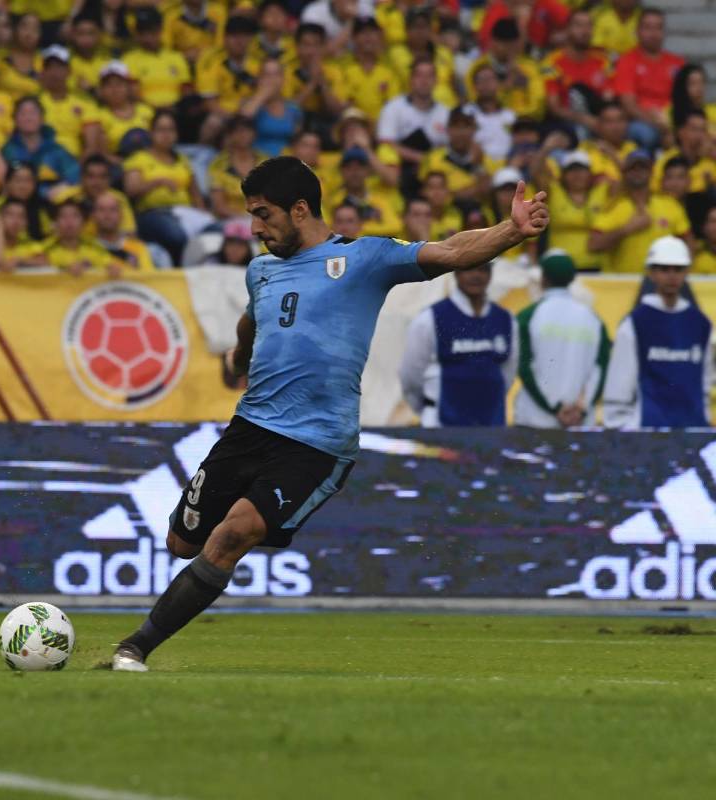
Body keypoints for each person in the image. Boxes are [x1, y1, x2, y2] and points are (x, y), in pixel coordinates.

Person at [110, 155, 549, 671]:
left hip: (316, 443)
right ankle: (164, 611)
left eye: (263, 214)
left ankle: (133, 648)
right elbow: (253, 323)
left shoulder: (365, 259)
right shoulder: (261, 271)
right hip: (249, 428)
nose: (254, 228)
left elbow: (452, 251)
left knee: (231, 536)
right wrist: (239, 357)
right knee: (181, 542)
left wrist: (511, 231)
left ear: (300, 210)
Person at [605, 236, 712, 428]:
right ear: (651, 273)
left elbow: (705, 382)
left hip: (693, 432)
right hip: (647, 435)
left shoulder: (700, 324)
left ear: (686, 272)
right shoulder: (635, 323)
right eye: (664, 269)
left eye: (678, 269)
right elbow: (619, 387)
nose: (671, 276)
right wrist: (625, 429)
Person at [398, 262, 518, 427]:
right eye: (469, 268)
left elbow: (508, 372)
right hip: (441, 426)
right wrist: (429, 408)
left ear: (490, 274)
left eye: (483, 269)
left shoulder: (506, 319)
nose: (476, 275)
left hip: (491, 426)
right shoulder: (430, 318)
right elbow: (410, 376)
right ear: (456, 273)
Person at [513, 250, 610, 428]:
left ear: (542, 278)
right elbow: (601, 369)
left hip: (535, 421)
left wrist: (555, 408)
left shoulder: (528, 317)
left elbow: (525, 368)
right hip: (579, 423)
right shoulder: (593, 318)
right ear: (573, 279)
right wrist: (581, 409)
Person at [123, 109, 209, 265]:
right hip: (152, 214)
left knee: (213, 230)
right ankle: (181, 271)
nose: (166, 134)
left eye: (171, 130)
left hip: (184, 214)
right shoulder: (139, 158)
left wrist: (203, 215)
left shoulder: (182, 159)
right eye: (161, 130)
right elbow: (131, 189)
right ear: (151, 133)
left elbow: (195, 193)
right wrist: (157, 182)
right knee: (175, 235)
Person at [589, 149, 692, 273]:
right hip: (623, 283)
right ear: (625, 173)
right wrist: (626, 229)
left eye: (643, 168)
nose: (638, 173)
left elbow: (687, 241)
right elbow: (593, 245)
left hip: (661, 284)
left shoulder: (669, 205)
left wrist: (684, 272)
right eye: (633, 169)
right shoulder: (614, 207)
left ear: (651, 172)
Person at [611, 9, 684, 149]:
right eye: (648, 27)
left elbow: (686, 101)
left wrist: (672, 124)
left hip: (672, 120)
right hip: (641, 121)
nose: (653, 33)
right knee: (645, 134)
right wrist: (658, 124)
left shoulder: (677, 63)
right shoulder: (627, 61)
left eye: (658, 27)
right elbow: (628, 105)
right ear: (638, 31)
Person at [533, 146, 606, 272]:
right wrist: (546, 148)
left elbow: (627, 183)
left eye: (582, 170)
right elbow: (536, 173)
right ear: (564, 174)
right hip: (559, 265)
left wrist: (611, 154)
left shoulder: (600, 192)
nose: (577, 175)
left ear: (590, 174)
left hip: (594, 266)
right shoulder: (553, 192)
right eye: (572, 170)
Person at [376, 58, 450, 176]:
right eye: (419, 75)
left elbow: (446, 146)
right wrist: (421, 158)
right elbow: (386, 144)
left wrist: (430, 161)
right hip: (402, 168)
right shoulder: (393, 107)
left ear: (436, 81)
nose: (424, 81)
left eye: (429, 76)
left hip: (434, 173)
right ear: (411, 80)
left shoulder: (445, 112)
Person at [542, 10, 610, 137]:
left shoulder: (602, 60)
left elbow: (609, 97)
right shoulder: (551, 62)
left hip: (600, 121)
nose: (585, 31)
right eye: (579, 25)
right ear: (567, 30)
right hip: (567, 123)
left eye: (589, 26)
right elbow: (554, 108)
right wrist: (584, 119)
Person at [38, 45, 103, 159]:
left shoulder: (85, 104)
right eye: (49, 67)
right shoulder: (34, 103)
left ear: (69, 71)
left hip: (73, 164)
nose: (54, 73)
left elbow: (92, 147)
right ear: (43, 72)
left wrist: (75, 169)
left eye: (59, 67)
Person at [421, 107, 497, 204]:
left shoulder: (485, 159)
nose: (461, 132)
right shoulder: (433, 158)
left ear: (474, 130)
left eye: (466, 126)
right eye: (456, 126)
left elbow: (488, 191)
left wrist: (478, 166)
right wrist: (475, 190)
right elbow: (430, 194)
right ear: (448, 129)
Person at [331, 17, 399, 124]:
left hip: (384, 127)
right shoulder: (343, 67)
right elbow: (342, 104)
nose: (368, 37)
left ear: (379, 36)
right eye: (362, 32)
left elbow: (394, 105)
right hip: (353, 125)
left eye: (372, 32)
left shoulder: (389, 66)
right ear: (353, 38)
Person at [123, 8, 192, 110]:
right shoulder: (129, 59)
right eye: (142, 33)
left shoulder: (176, 57)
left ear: (160, 31)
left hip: (176, 111)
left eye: (152, 32)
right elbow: (133, 94)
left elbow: (186, 91)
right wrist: (156, 109)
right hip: (145, 110)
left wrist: (175, 107)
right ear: (137, 35)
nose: (147, 38)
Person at [238, 58, 302, 158]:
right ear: (259, 79)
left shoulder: (293, 108)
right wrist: (263, 94)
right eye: (267, 75)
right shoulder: (248, 103)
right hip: (256, 160)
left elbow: (297, 140)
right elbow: (242, 121)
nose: (272, 79)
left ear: (283, 79)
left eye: (276, 75)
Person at [43, 199, 123, 277]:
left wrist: (112, 268)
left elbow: (108, 263)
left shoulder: (94, 248)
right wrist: (64, 269)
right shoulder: (44, 250)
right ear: (55, 222)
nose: (69, 221)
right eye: (63, 216)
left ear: (84, 222)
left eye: (75, 216)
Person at [208, 115, 267, 220]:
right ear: (230, 135)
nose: (243, 135)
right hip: (231, 221)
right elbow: (219, 207)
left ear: (254, 134)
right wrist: (244, 219)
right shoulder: (218, 165)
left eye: (247, 131)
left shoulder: (266, 162)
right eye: (238, 131)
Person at [93, 191, 154, 272]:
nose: (107, 215)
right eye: (101, 209)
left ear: (121, 215)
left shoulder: (138, 248)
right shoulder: (86, 248)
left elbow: (149, 279)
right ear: (93, 215)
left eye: (113, 210)